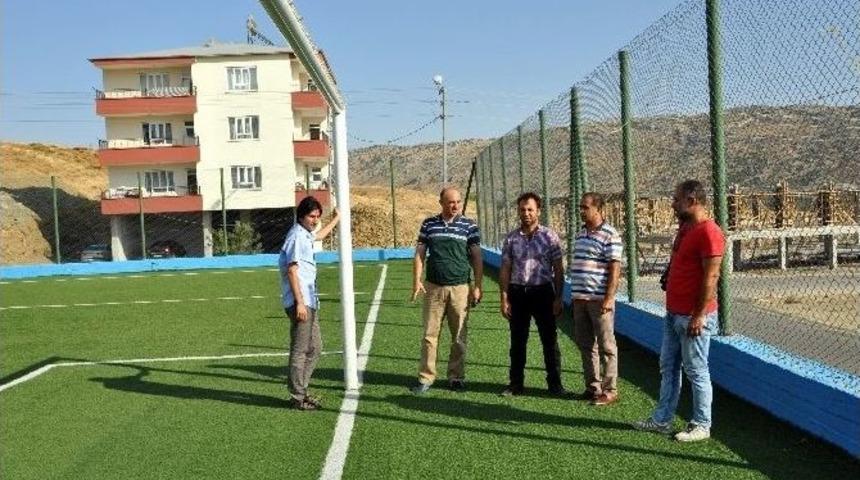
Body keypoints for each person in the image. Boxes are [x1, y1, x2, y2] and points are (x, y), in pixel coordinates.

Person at [633, 180, 725, 441]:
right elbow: (677, 258)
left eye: (676, 199)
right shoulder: (685, 228)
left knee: (696, 370)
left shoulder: (710, 232)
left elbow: (711, 276)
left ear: (692, 200)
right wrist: (669, 274)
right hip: (673, 312)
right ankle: (662, 419)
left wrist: (699, 315)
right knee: (668, 366)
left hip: (694, 316)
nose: (672, 203)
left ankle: (701, 425)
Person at [410, 187, 483, 394]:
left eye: (458, 202)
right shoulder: (429, 224)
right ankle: (426, 378)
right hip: (434, 288)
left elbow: (476, 257)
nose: (455, 206)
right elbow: (420, 253)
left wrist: (477, 286)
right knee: (429, 335)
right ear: (441, 202)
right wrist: (416, 280)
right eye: (451, 202)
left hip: (460, 288)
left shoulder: (469, 226)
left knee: (459, 336)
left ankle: (456, 377)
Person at [499, 192, 565, 396]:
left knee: (549, 340)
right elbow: (505, 269)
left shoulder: (549, 236)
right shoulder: (511, 239)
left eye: (530, 209)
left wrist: (558, 298)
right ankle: (516, 384)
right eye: (522, 210)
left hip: (543, 293)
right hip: (518, 294)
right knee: (518, 340)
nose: (526, 213)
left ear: (538, 211)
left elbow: (558, 269)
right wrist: (504, 297)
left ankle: (555, 385)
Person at [279, 197, 340, 411]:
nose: (315, 220)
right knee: (301, 349)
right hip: (301, 301)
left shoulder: (305, 234)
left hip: (309, 300)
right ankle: (297, 396)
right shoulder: (296, 236)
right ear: (301, 216)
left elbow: (319, 235)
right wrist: (300, 303)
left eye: (317, 217)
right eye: (311, 216)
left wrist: (337, 219)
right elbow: (292, 270)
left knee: (316, 348)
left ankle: (300, 390)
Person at [569, 192, 623, 406]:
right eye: (580, 207)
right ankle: (593, 387)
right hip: (580, 299)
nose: (581, 211)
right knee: (585, 344)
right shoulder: (581, 234)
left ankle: (610, 390)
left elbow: (615, 269)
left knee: (607, 346)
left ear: (598, 209)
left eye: (585, 207)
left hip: (599, 300)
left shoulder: (610, 235)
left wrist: (609, 298)